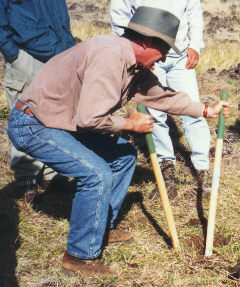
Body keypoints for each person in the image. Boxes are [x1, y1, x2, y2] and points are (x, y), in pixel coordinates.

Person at [7, 6, 229, 277]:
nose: (163, 59)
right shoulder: (109, 56)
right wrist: (129, 123)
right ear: (146, 42)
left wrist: (205, 110)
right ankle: (78, 257)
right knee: (96, 174)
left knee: (124, 155)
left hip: (59, 120)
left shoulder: (133, 63)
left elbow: (161, 96)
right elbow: (90, 119)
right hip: (34, 124)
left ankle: (98, 227)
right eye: (163, 51)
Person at [111, 0, 210, 198]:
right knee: (154, 114)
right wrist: (138, 54)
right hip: (147, 57)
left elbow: (194, 15)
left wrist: (195, 45)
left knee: (192, 109)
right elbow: (119, 18)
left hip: (180, 56)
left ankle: (202, 168)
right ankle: (166, 165)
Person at [0, 0, 76, 202]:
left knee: (58, 117)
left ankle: (53, 175)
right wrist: (14, 55)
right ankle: (27, 178)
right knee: (24, 119)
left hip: (59, 54)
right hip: (26, 57)